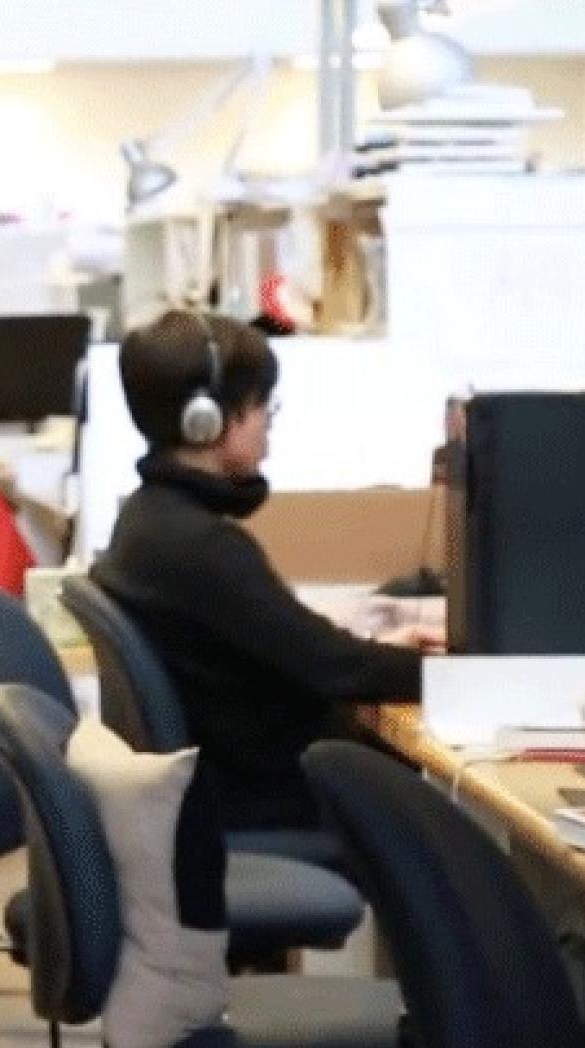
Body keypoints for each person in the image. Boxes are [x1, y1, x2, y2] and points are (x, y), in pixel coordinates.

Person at [90, 310, 442, 833]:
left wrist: (384, 652)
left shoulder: (148, 521)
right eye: (261, 406)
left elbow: (289, 643)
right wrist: (463, 678)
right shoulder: (201, 545)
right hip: (269, 801)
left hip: (225, 792)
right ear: (209, 420)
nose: (268, 425)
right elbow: (333, 667)